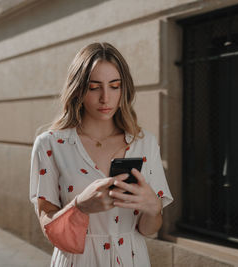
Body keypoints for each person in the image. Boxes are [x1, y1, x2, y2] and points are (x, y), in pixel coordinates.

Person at [30, 42, 173, 267]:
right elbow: (48, 226)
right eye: (94, 87)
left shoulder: (144, 143)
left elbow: (148, 229)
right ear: (78, 89)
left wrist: (153, 207)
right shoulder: (51, 144)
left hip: (131, 259)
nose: (105, 98)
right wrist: (79, 206)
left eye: (114, 86)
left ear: (124, 89)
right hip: (77, 260)